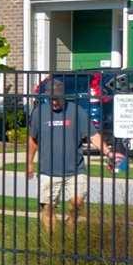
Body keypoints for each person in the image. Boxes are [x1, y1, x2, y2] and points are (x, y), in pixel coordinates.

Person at [32, 83, 91, 224]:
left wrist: (107, 151)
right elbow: (32, 139)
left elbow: (93, 135)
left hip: (75, 169)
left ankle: (70, 231)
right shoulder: (39, 112)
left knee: (77, 203)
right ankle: (51, 243)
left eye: (57, 98)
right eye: (51, 98)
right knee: (48, 208)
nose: (54, 102)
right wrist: (29, 162)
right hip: (48, 171)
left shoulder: (77, 111)